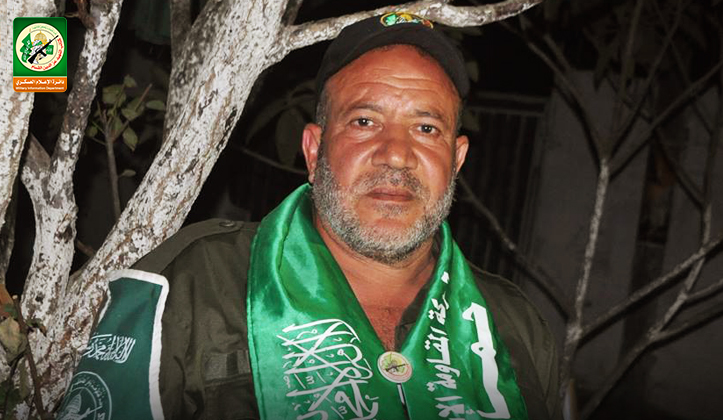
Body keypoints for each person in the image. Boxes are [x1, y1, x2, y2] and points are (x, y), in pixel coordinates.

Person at [57, 12, 561, 420]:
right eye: (365, 121)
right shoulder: (194, 283)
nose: (396, 154)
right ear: (315, 151)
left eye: (426, 129)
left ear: (457, 159)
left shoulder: (515, 326)